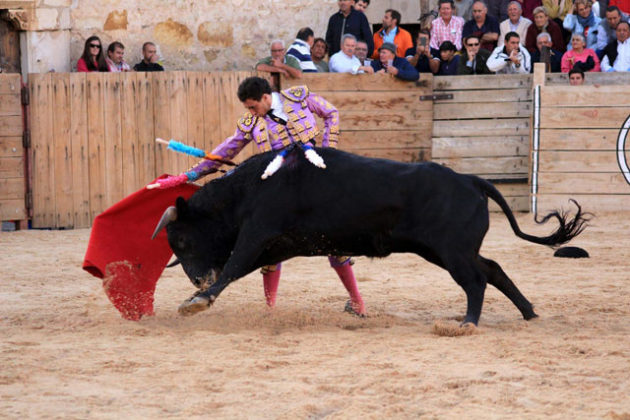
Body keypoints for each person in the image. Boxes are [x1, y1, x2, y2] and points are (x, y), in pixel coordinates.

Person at [149, 77, 367, 316]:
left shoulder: (298, 98)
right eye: (248, 108)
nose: (252, 112)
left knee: (335, 242)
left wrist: (328, 150)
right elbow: (224, 152)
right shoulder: (253, 121)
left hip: (315, 179)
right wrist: (187, 176)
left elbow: (331, 113)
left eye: (253, 106)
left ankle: (357, 303)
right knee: (270, 245)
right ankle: (270, 308)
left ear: (266, 97)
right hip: (281, 188)